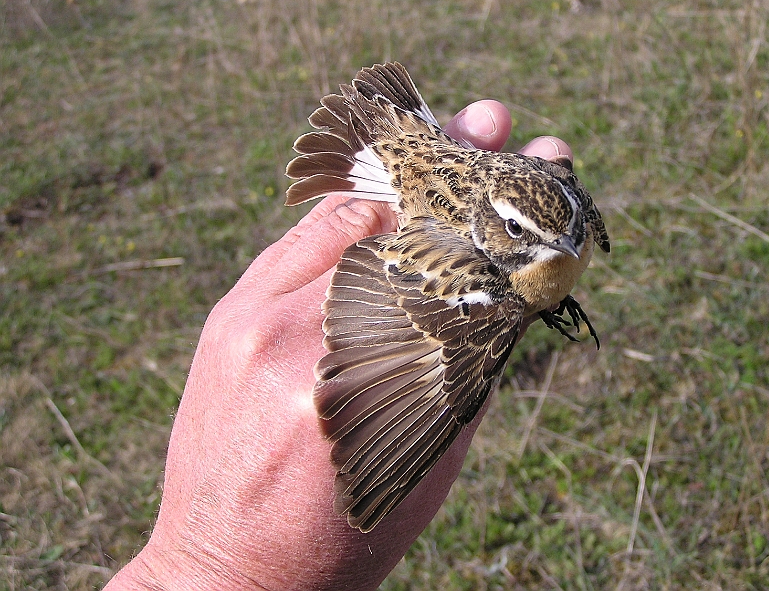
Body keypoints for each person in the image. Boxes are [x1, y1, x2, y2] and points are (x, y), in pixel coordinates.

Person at [105, 99, 573, 590]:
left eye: (568, 235)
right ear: (496, 228)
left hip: (431, 156)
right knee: (475, 343)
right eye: (524, 234)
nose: (567, 247)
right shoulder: (471, 273)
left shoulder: (560, 219)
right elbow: (430, 369)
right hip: (417, 177)